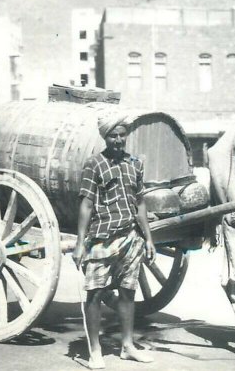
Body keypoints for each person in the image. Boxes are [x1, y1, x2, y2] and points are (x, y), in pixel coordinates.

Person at [72, 115, 156, 369]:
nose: (118, 140)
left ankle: (128, 346)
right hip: (102, 237)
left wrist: (149, 239)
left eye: (122, 135)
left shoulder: (135, 164)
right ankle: (95, 351)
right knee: (95, 293)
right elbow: (86, 204)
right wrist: (79, 243)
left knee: (129, 292)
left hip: (131, 237)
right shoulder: (94, 165)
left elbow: (140, 202)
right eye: (113, 136)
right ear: (105, 138)